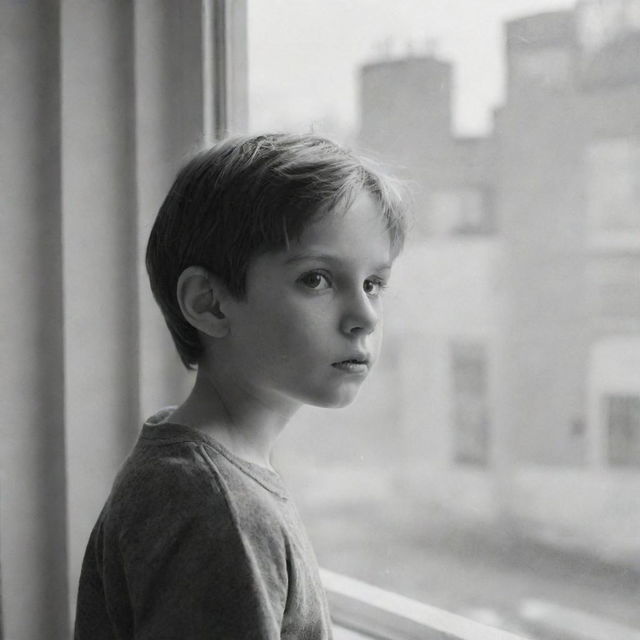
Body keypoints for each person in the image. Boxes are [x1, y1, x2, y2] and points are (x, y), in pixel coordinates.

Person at [74, 133, 407, 639]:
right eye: (317, 279)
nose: (364, 316)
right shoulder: (215, 507)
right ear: (210, 303)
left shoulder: (203, 472)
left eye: (373, 284)